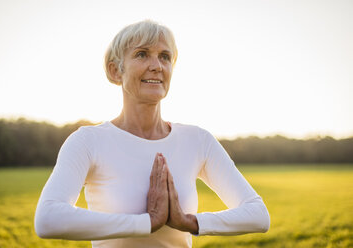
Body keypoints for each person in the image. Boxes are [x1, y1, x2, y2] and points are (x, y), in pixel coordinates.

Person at [34, 20, 270, 248]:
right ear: (115, 70)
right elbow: (48, 219)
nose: (157, 65)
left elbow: (258, 215)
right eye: (142, 54)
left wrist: (188, 221)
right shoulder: (88, 141)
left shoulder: (198, 140)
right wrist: (147, 223)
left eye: (165, 57)